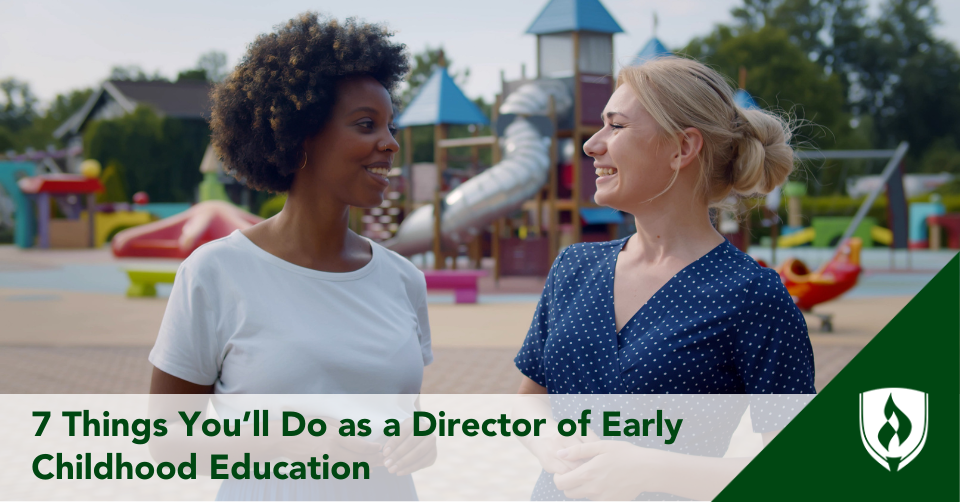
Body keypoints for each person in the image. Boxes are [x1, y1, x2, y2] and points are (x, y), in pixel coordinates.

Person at [148, 13, 434, 500]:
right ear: (301, 135)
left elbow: (404, 423)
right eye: (367, 125)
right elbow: (166, 443)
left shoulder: (404, 280)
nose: (390, 143)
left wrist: (419, 442)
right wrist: (294, 444)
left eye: (390, 125)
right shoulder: (215, 272)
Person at [514, 56, 816, 500]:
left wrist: (655, 471)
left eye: (616, 126)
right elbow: (530, 397)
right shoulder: (573, 268)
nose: (591, 145)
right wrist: (547, 443)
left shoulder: (752, 295)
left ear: (681, 148)